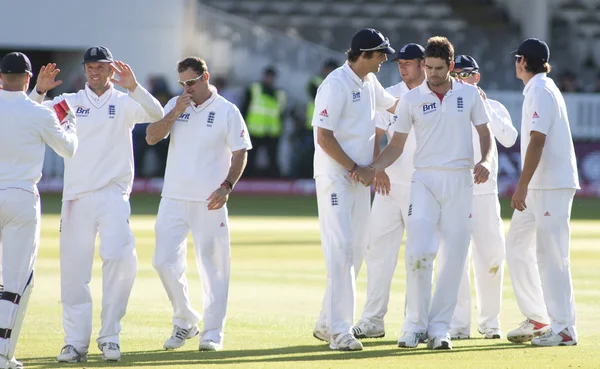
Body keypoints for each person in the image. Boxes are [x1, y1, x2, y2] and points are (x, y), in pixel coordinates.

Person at [356, 36, 493, 350]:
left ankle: (439, 329)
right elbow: (396, 145)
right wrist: (374, 168)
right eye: (428, 67)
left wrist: (484, 160)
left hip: (460, 181)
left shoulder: (470, 95)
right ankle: (413, 326)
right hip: (425, 182)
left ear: (451, 66)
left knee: (454, 258)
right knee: (418, 253)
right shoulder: (412, 99)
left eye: (438, 68)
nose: (431, 73)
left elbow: (485, 134)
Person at [29, 46, 164, 362]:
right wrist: (38, 90)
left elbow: (157, 114)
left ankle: (110, 336)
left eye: (101, 66)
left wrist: (133, 86)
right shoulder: (69, 103)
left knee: (120, 258)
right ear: (85, 69)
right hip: (77, 197)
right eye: (90, 66)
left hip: (114, 194)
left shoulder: (124, 102)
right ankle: (75, 343)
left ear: (110, 70)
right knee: (74, 272)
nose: (94, 71)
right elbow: (30, 116)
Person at [146, 57, 252, 352]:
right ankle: (185, 320)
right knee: (162, 261)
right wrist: (174, 112)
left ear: (205, 77)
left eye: (191, 82)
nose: (187, 88)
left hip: (210, 201)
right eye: (182, 83)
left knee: (215, 267)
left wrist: (227, 186)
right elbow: (152, 137)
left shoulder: (227, 110)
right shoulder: (175, 104)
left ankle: (213, 332)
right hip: (173, 197)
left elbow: (241, 152)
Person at [312, 28, 398, 351]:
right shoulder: (335, 85)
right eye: (381, 54)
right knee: (341, 251)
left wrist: (437, 92)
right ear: (364, 55)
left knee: (356, 252)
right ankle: (339, 331)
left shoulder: (369, 82)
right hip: (336, 179)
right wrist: (354, 168)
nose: (385, 60)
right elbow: (324, 137)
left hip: (359, 180)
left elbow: (397, 106)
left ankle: (325, 322)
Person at [0, 52, 78, 369]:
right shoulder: (40, 113)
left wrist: (39, 96)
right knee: (17, 282)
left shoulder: (34, 108)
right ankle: (3, 355)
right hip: (20, 196)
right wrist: (70, 122)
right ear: (29, 78)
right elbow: (68, 149)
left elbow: (16, 112)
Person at [505, 38, 579, 347]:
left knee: (552, 256)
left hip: (550, 185)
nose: (515, 64)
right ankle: (538, 316)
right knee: (517, 245)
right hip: (540, 185)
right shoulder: (538, 89)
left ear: (522, 61)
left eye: (516, 59)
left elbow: (537, 140)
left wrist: (521, 184)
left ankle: (564, 328)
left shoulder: (540, 91)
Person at [352, 43, 425, 340]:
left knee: (417, 258)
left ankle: (414, 323)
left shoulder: (433, 94)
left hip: (420, 188)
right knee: (377, 253)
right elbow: (377, 135)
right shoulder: (391, 92)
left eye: (408, 62)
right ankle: (372, 321)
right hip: (387, 187)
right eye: (399, 63)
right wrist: (376, 168)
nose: (403, 67)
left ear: (423, 64)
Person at [446, 55, 518, 340]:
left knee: (491, 257)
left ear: (476, 78)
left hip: (486, 193)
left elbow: (510, 139)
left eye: (466, 75)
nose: (460, 80)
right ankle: (458, 324)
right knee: (455, 260)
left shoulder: (494, 106)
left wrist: (484, 104)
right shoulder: (448, 106)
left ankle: (490, 323)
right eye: (457, 75)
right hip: (455, 192)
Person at [294, 60, 339, 178]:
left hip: (330, 126)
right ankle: (304, 177)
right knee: (308, 155)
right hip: (312, 125)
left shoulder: (337, 83)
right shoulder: (316, 82)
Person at [240, 66, 286, 178]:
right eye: (267, 76)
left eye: (271, 77)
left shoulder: (280, 94)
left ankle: (274, 182)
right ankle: (246, 179)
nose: (269, 79)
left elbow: (282, 113)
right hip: (254, 130)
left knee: (273, 159)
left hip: (272, 132)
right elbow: (244, 108)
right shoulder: (254, 89)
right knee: (249, 159)